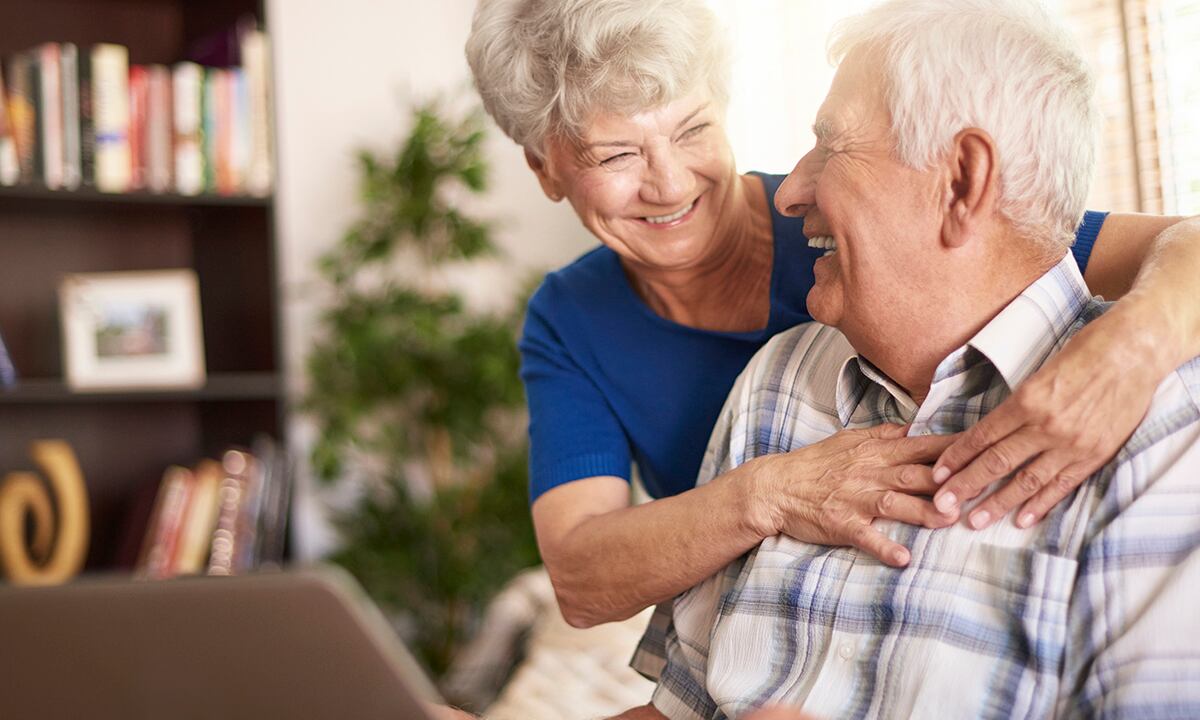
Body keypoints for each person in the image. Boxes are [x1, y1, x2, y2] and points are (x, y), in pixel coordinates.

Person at [465, 0, 1200, 629]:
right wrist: (768, 493)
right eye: (617, 155)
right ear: (545, 167)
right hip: (753, 634)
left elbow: (1171, 243)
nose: (670, 183)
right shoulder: (571, 318)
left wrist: (1133, 345)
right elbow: (581, 578)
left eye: (692, 130)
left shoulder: (856, 227)